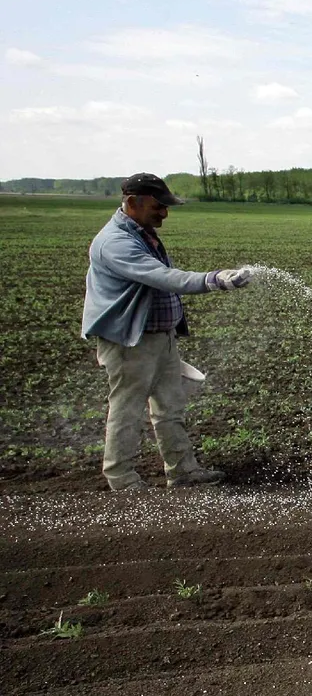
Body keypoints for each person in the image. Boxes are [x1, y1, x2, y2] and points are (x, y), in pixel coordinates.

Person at [81, 172, 253, 491]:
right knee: (127, 410)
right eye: (158, 206)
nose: (164, 212)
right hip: (130, 342)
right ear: (132, 203)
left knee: (170, 408)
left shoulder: (141, 232)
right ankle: (122, 479)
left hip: (161, 338)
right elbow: (162, 277)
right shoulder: (115, 242)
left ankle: (182, 470)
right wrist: (213, 279)